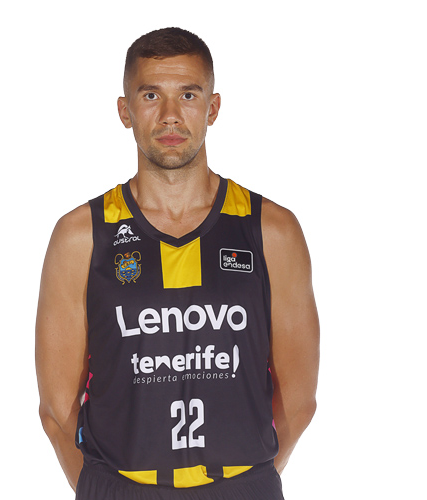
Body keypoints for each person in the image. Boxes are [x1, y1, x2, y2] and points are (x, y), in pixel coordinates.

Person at [35, 27, 319, 500]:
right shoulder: (81, 236)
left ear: (213, 108)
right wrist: (99, 488)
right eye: (151, 95)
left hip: (242, 486)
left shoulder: (272, 230)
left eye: (188, 94)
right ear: (125, 111)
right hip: (119, 487)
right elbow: (56, 411)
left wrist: (248, 480)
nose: (170, 114)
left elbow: (299, 402)